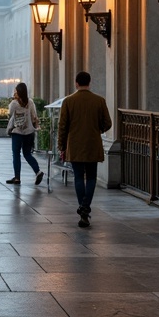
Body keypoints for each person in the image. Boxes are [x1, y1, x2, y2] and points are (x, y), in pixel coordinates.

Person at [58, 71, 112, 228]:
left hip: (75, 145)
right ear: (90, 82)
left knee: (79, 178)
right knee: (92, 177)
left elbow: (63, 127)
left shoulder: (68, 101)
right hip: (92, 144)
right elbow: (108, 123)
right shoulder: (99, 101)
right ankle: (86, 206)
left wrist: (62, 146)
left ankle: (83, 207)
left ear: (76, 83)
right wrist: (97, 130)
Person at [4, 82, 43, 186]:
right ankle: (38, 171)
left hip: (17, 132)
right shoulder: (30, 102)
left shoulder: (14, 103)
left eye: (16, 90)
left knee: (16, 154)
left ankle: (17, 178)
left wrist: (14, 99)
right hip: (29, 132)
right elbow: (34, 116)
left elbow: (10, 114)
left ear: (18, 92)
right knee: (27, 154)